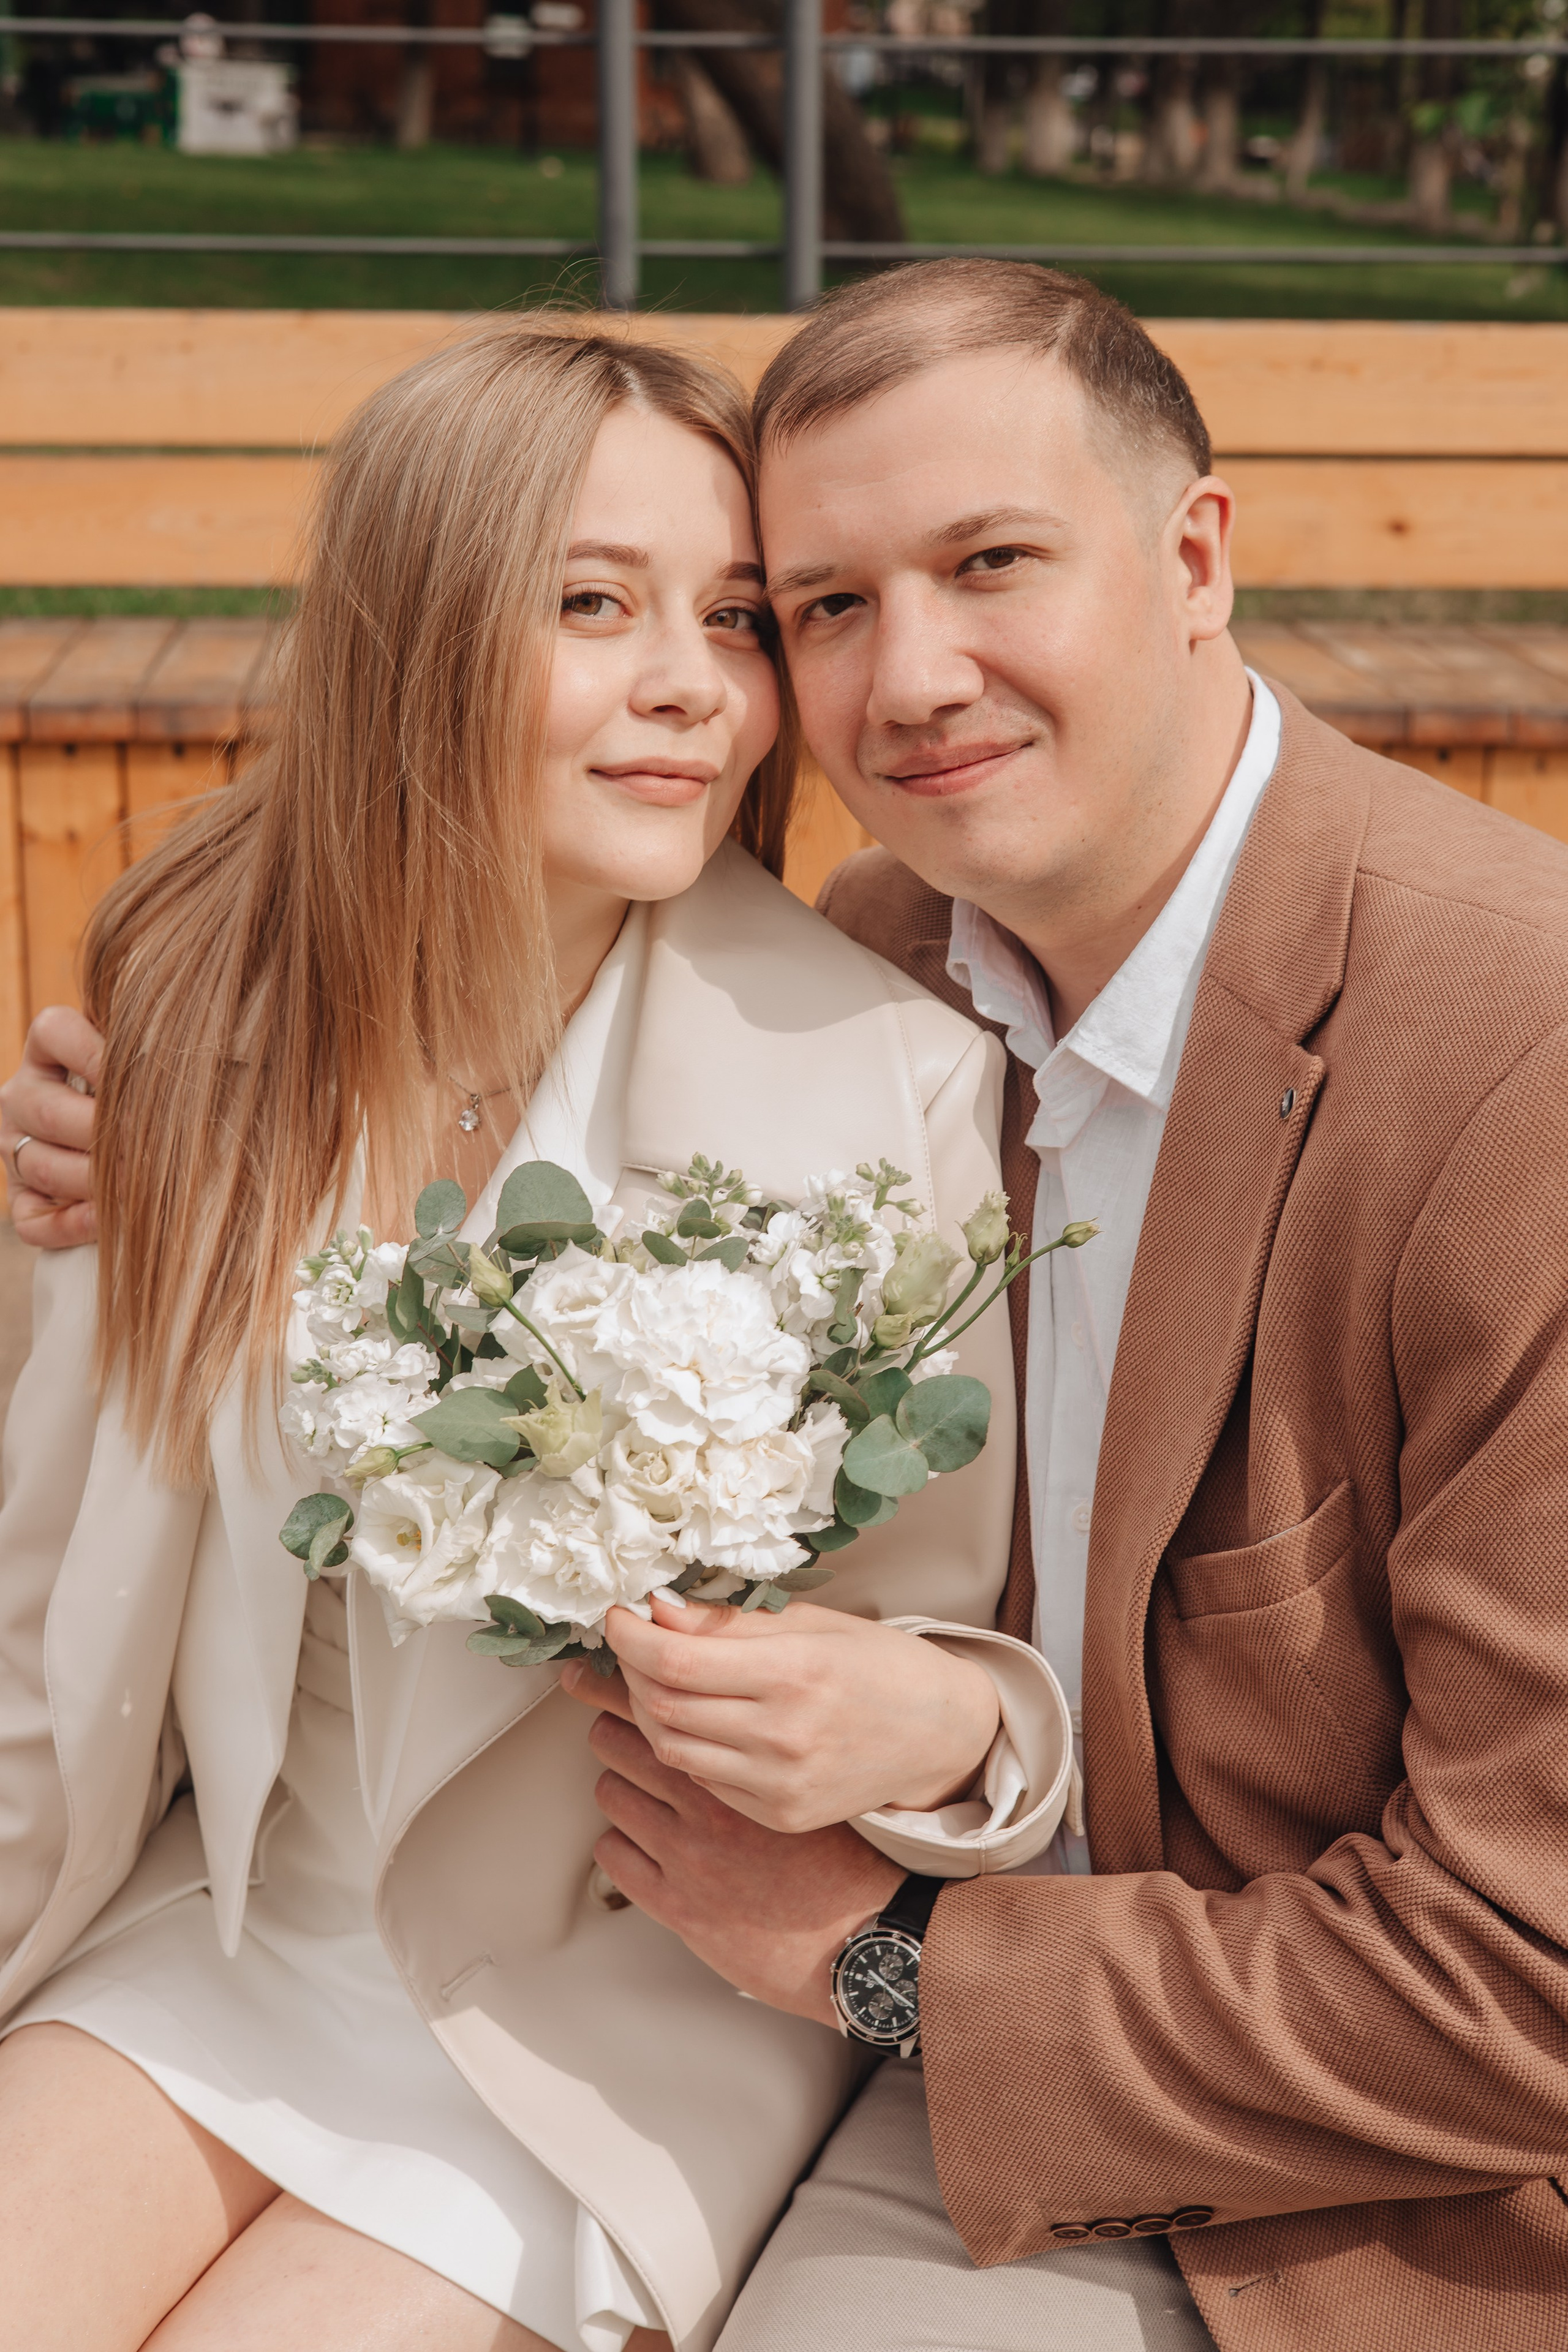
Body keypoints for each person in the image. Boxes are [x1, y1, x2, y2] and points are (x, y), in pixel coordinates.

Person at [0, 319, 1072, 2352]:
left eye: (735, 617)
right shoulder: (193, 993)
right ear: (417, 633)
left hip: (601, 2003)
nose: (694, 682)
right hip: (222, 1928)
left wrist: (917, 1742)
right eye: (594, 604)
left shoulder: (886, 1087)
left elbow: (939, 1663)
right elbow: (40, 1576)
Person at [545, 263, 1568, 2352]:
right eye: (827, 605)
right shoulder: (882, 954)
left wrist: (888, 1964)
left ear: (1196, 557)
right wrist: (168, 1117)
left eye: (990, 562)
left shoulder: (1518, 1065)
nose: (913, 677)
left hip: (1346, 2177)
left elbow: (1529, 1983)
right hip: (829, 1969)